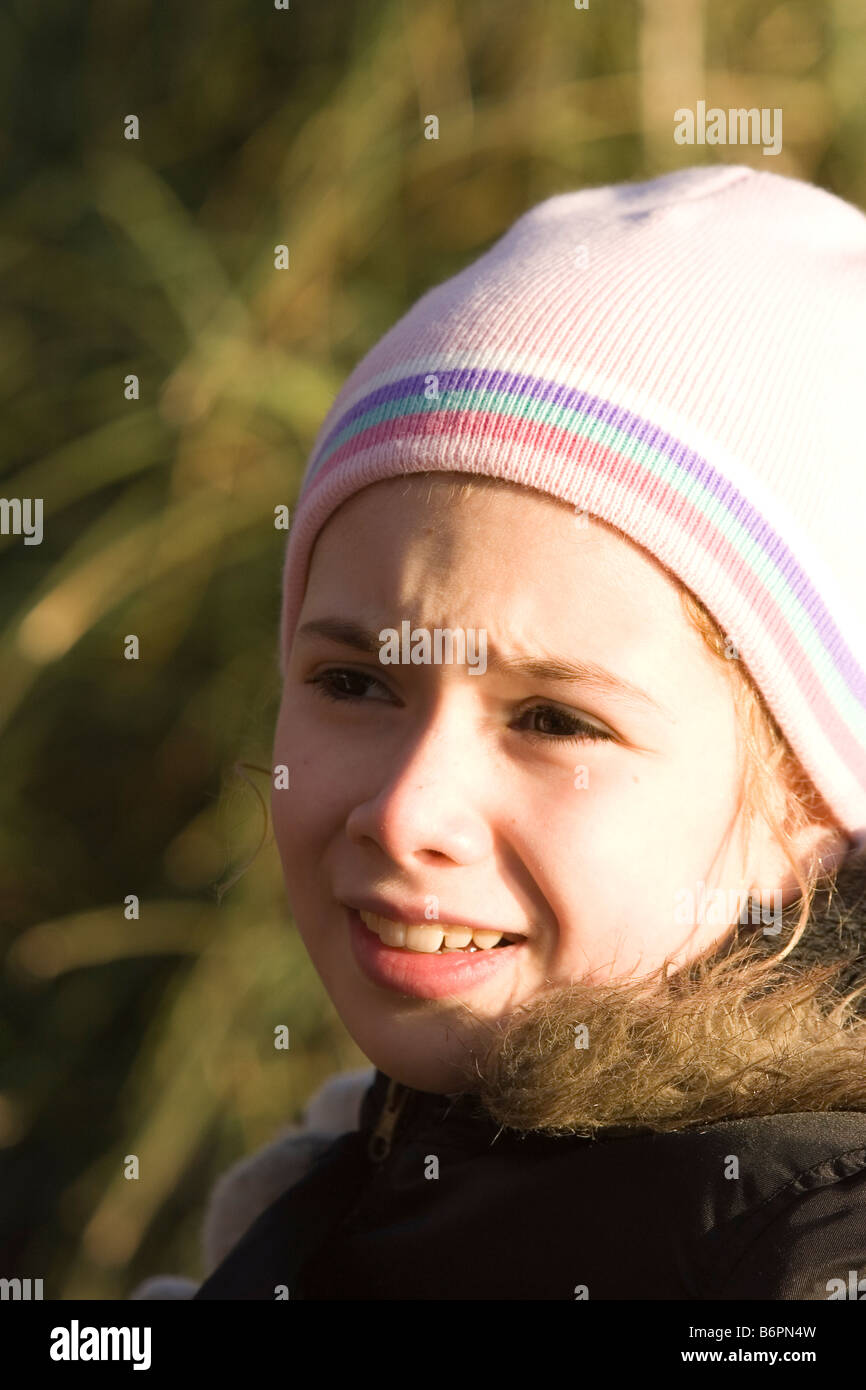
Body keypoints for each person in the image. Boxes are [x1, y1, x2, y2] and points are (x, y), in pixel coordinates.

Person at [132, 162, 866, 1300]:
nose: (406, 809)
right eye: (354, 682)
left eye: (553, 719)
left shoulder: (794, 1254)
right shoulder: (385, 1163)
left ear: (815, 797)